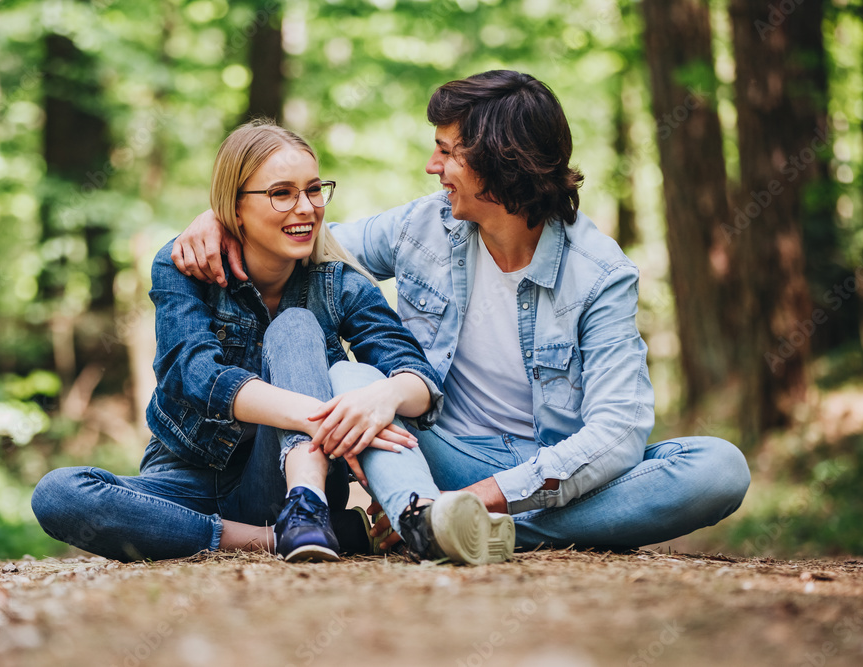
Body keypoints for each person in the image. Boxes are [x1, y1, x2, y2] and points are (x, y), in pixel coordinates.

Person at [172, 70, 752, 553]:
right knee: (354, 377)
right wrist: (220, 219)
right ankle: (432, 517)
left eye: (447, 152)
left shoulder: (598, 273)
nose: (432, 166)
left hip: (551, 471)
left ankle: (446, 526)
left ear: (501, 164)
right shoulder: (425, 226)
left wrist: (485, 498)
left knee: (719, 468)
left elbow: (619, 432)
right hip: (434, 455)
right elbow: (306, 239)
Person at [31, 121, 512, 564]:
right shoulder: (184, 269)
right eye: (281, 194)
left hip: (288, 481)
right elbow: (194, 377)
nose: (305, 208)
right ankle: (285, 537)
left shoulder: (339, 283)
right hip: (187, 476)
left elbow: (417, 375)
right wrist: (323, 417)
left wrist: (377, 400)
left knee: (296, 325)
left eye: (313, 190)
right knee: (59, 493)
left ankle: (305, 507)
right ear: (234, 207)